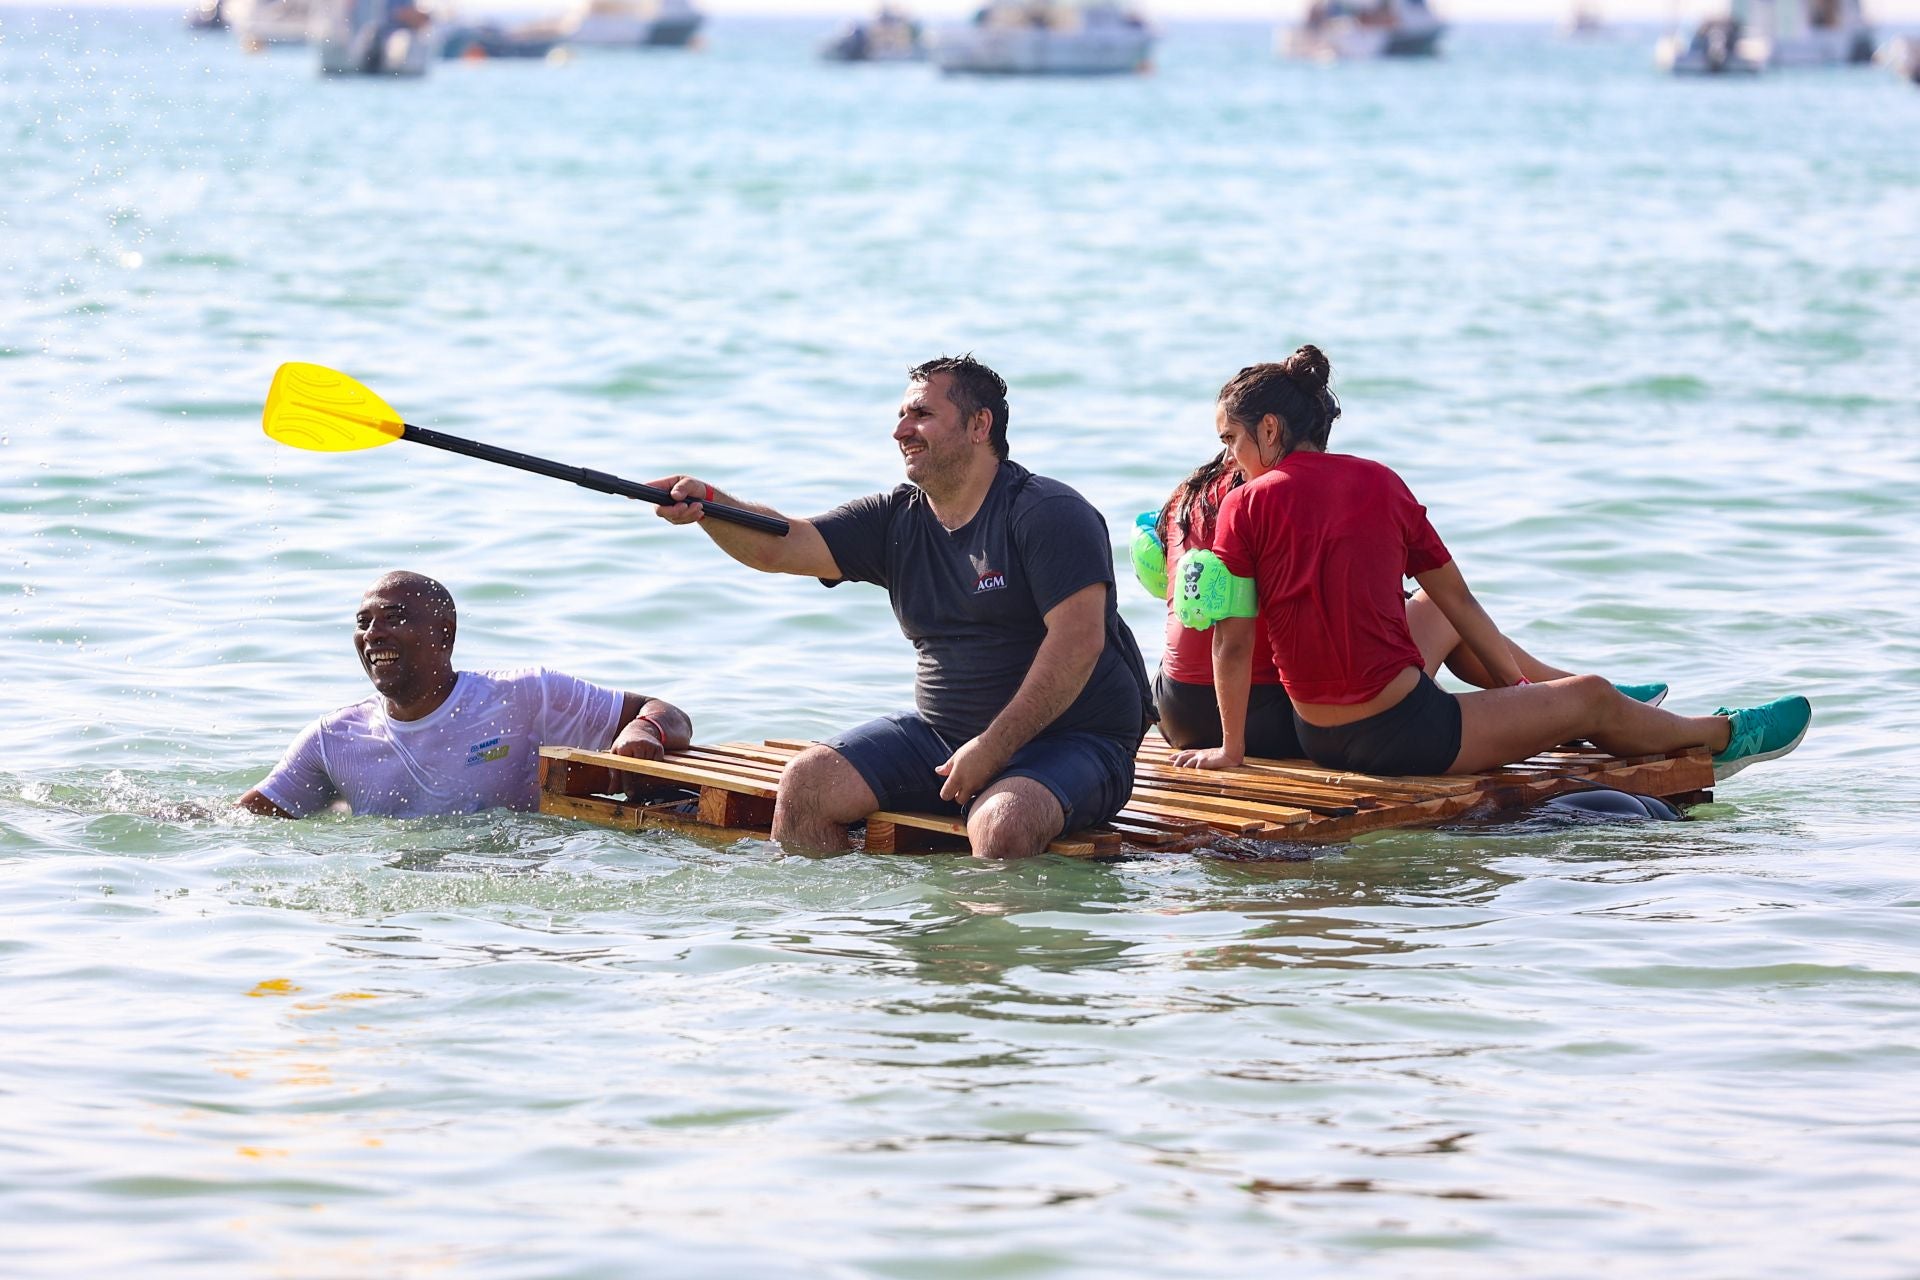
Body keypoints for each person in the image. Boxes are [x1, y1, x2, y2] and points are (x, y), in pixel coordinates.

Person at [1169, 346, 1811, 781]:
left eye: (1231, 439)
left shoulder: (1242, 507)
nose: (1229, 457)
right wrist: (1520, 689)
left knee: (1555, 697)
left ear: (1272, 430)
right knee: (1587, 696)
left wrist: (1231, 749)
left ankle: (1552, 708)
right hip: (1407, 735)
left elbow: (1232, 640)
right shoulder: (1379, 484)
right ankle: (1722, 738)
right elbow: (1459, 604)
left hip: (1316, 732)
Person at [649, 355, 1154, 859]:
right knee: (806, 786)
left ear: (980, 425)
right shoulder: (895, 519)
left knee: (1003, 826)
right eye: (900, 416)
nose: (900, 431)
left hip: (1075, 741)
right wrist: (707, 505)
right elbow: (781, 545)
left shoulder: (1048, 513)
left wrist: (991, 750)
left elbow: (1078, 641)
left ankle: (986, 935)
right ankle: (846, 928)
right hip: (943, 736)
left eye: (921, 415)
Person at [1141, 450, 1668, 759]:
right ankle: (1561, 697)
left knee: (1429, 613)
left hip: (1177, 711)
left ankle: (1562, 694)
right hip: (1261, 718)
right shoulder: (1265, 500)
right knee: (1439, 608)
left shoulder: (1185, 497)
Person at [237, 571, 691, 819]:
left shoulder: (525, 695)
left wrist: (645, 729)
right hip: (393, 899)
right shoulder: (332, 737)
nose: (374, 633)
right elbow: (247, 822)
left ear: (444, 635)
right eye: (364, 622)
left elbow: (667, 713)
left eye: (394, 617)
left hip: (516, 886)